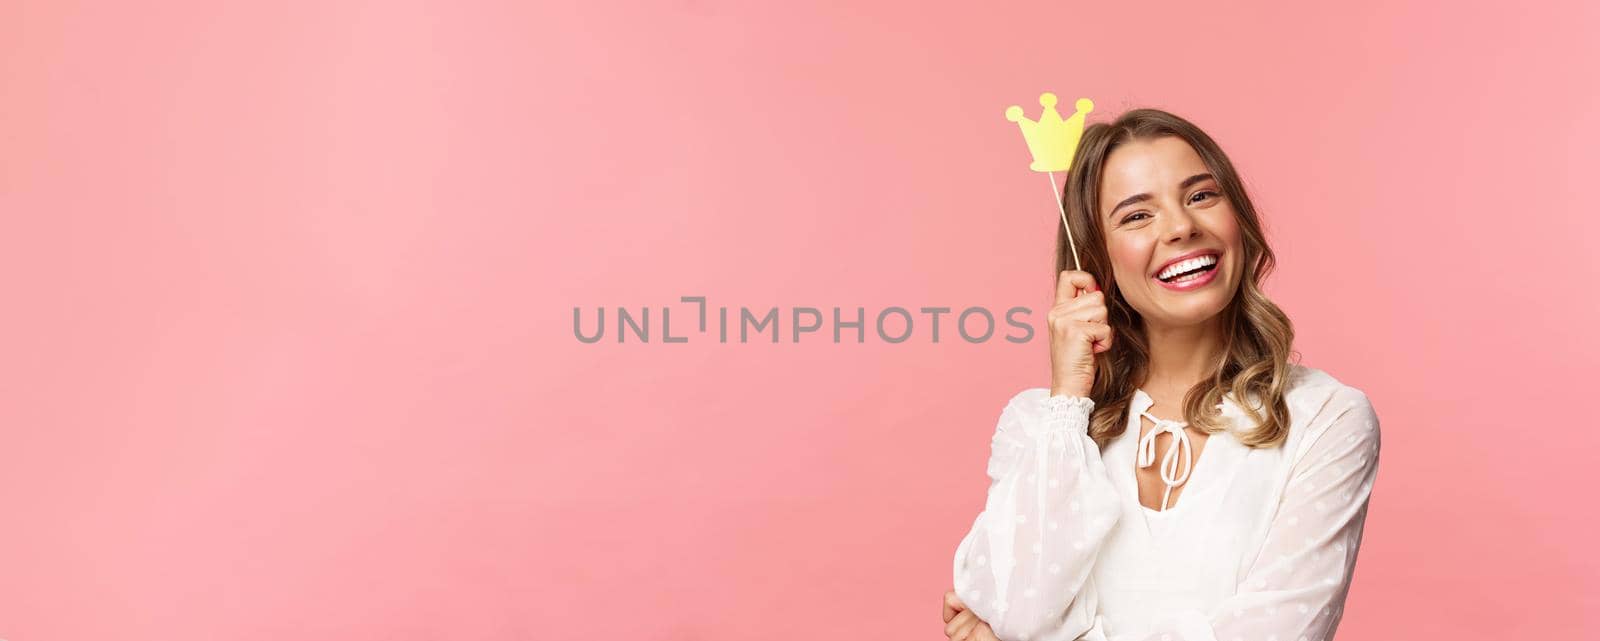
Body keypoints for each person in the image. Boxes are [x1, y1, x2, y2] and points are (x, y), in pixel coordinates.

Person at [941, 109, 1381, 641]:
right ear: (1097, 260)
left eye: (1200, 196)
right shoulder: (1038, 423)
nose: (1181, 227)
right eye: (1136, 216)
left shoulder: (1324, 418)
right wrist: (1068, 400)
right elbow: (1014, 606)